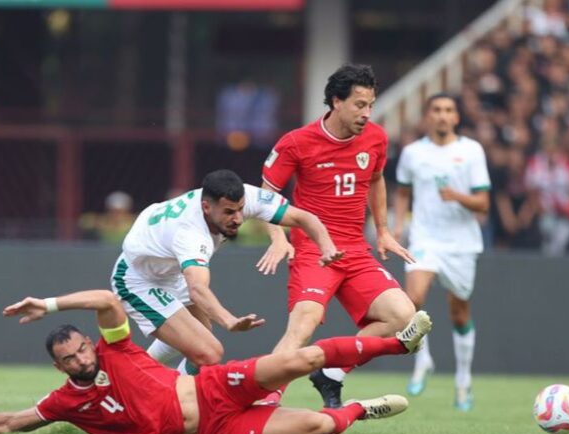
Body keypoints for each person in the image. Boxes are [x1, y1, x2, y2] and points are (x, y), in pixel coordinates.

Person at [0, 289, 433, 434]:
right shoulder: (67, 402)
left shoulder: (116, 350)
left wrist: (51, 305)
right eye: (70, 358)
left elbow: (105, 298)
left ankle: (399, 347)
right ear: (60, 368)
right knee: (319, 425)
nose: (82, 357)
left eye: (82, 348)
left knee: (302, 358)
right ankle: (360, 409)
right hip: (215, 429)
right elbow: (11, 421)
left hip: (214, 387)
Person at [259, 64, 417, 408]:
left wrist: (384, 231)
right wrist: (278, 238)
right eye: (360, 104)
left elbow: (376, 180)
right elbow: (265, 194)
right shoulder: (297, 142)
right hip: (314, 251)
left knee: (403, 316)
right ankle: (262, 400)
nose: (367, 113)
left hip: (356, 251)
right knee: (303, 324)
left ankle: (331, 371)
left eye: (370, 105)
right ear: (336, 102)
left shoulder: (376, 137)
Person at [112, 169, 342, 375]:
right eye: (229, 212)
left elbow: (304, 217)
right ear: (206, 207)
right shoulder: (190, 233)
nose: (239, 219)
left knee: (200, 339)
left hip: (170, 269)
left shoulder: (244, 197)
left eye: (241, 209)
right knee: (207, 351)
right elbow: (197, 289)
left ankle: (142, 379)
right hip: (138, 279)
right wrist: (229, 321)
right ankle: (154, 389)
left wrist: (327, 247)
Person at [392, 94, 491, 411]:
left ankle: (463, 380)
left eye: (449, 110)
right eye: (436, 110)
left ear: (457, 117)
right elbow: (403, 192)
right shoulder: (412, 153)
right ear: (427, 117)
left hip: (461, 243)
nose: (442, 116)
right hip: (425, 237)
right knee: (412, 301)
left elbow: (483, 203)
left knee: (459, 311)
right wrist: (396, 226)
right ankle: (424, 360)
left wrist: (457, 197)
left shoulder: (471, 151)